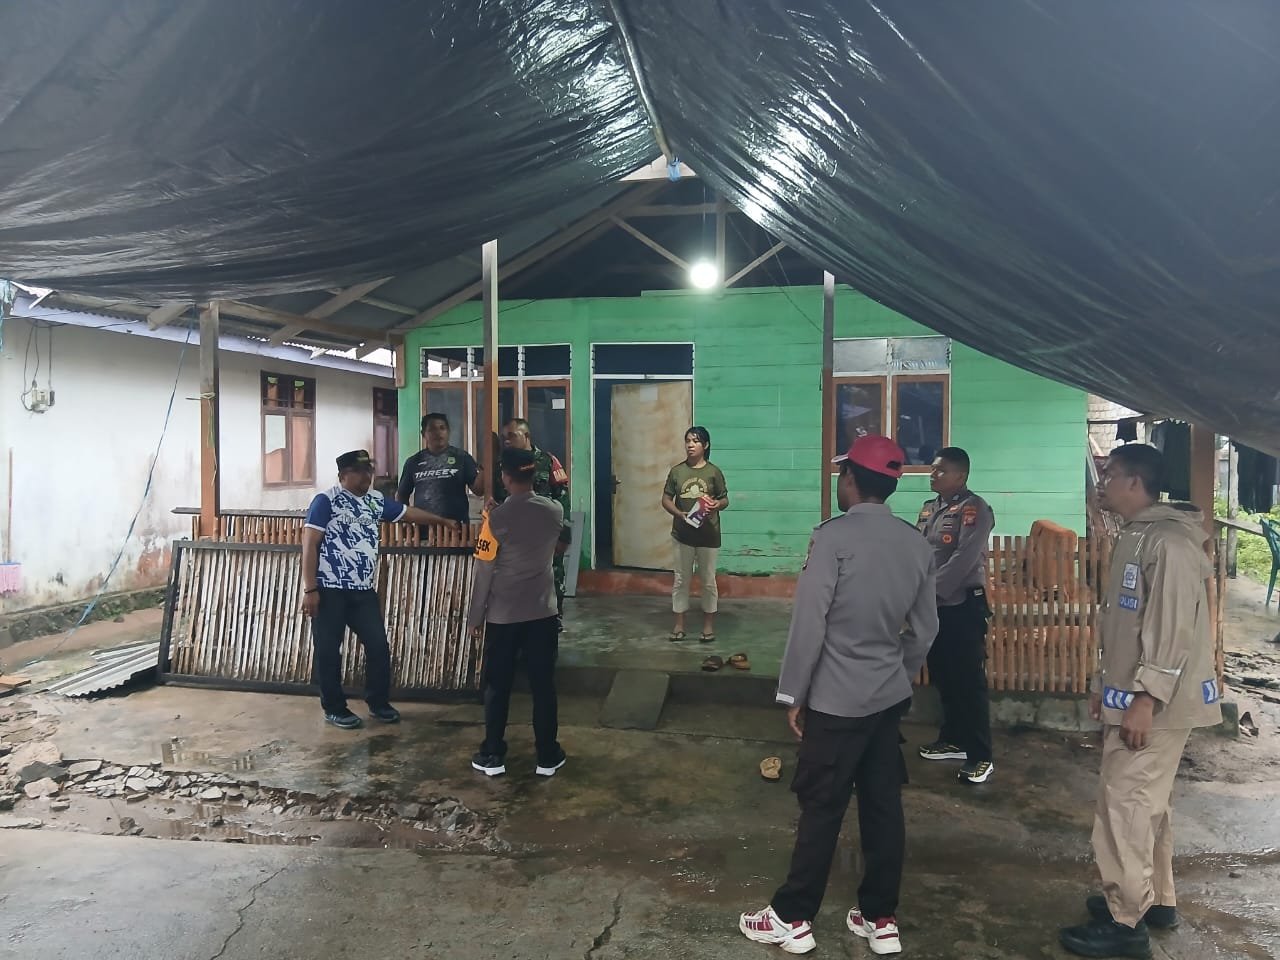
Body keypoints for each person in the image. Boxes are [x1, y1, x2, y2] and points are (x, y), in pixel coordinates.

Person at [739, 435, 938, 957]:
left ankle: (792, 918)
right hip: (886, 697)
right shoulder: (916, 543)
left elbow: (809, 625)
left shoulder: (831, 539)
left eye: (841, 473)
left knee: (822, 807)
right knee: (882, 806)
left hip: (835, 701)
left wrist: (793, 693)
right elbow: (924, 630)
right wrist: (898, 673)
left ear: (850, 479)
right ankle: (880, 918)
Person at [1059, 444, 1221, 959]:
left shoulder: (1169, 542)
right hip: (1135, 695)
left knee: (1125, 804)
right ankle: (1156, 901)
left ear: (1134, 482)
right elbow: (1122, 624)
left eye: (1108, 475)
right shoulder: (1139, 533)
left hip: (1156, 703)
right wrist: (1101, 687)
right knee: (1148, 804)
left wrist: (1146, 699)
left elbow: (1169, 631)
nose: (1100, 484)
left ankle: (1125, 922)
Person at [302, 450, 457, 729]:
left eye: (369, 470)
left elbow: (407, 513)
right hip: (329, 589)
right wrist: (310, 590)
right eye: (360, 471)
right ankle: (334, 708)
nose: (367, 476)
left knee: (378, 647)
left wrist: (441, 521)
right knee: (328, 651)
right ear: (343, 475)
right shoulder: (326, 501)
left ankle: (378, 702)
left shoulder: (374, 501)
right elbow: (309, 545)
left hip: (363, 591)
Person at [466, 447, 567, 778]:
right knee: (543, 686)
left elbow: (484, 572)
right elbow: (560, 542)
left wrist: (475, 618)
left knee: (498, 686)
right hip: (542, 613)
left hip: (503, 616)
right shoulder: (554, 510)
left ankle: (493, 754)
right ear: (533, 475)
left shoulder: (495, 520)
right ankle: (547, 756)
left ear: (505, 478)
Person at [915, 447, 998, 784]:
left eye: (941, 470)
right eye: (933, 469)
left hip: (962, 606)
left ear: (960, 476)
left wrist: (929, 592)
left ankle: (981, 755)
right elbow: (921, 551)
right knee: (944, 675)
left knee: (968, 681)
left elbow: (964, 558)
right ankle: (953, 740)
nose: (933, 475)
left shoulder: (975, 509)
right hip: (934, 606)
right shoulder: (930, 508)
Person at [491, 418, 572, 624]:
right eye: (504, 437)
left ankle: (553, 621)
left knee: (552, 580)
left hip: (545, 538)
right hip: (514, 540)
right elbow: (497, 500)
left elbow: (563, 499)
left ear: (526, 436)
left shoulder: (547, 461)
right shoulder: (501, 465)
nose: (506, 441)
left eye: (512, 436)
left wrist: (563, 536)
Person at [661, 426, 729, 642]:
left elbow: (725, 499)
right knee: (681, 580)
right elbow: (666, 499)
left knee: (708, 581)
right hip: (682, 535)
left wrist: (717, 504)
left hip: (709, 536)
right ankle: (679, 625)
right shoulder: (677, 472)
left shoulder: (714, 472)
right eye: (688, 441)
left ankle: (708, 627)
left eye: (695, 441)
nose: (690, 445)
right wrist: (679, 514)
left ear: (705, 445)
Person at [396, 413, 483, 532]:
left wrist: (484, 468)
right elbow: (402, 494)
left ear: (448, 432)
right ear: (423, 434)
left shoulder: (462, 457)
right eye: (432, 429)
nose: (438, 433)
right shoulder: (413, 462)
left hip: (456, 530)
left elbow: (479, 490)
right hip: (423, 531)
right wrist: (406, 521)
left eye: (442, 428)